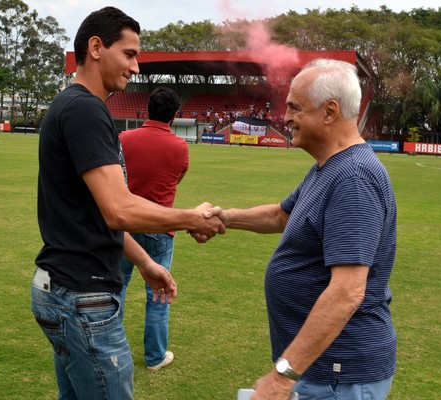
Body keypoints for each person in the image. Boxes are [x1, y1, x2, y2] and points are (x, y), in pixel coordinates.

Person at [31, 7, 224, 400]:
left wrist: (146, 262)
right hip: (84, 299)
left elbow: (96, 214)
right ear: (97, 47)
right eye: (130, 54)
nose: (136, 68)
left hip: (61, 289)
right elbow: (119, 209)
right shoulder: (85, 109)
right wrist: (191, 217)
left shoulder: (76, 105)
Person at [214, 59, 398, 400]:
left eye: (295, 108)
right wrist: (223, 218)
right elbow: (281, 216)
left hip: (339, 375)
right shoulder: (328, 167)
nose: (284, 118)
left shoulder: (353, 179)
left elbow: (347, 292)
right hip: (322, 370)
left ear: (330, 111)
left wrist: (282, 377)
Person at [118, 87, 188, 371]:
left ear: (147, 109)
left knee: (116, 288)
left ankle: (110, 348)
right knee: (158, 294)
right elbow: (177, 178)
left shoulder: (123, 138)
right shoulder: (180, 147)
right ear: (174, 115)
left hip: (124, 226)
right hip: (159, 228)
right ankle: (155, 357)